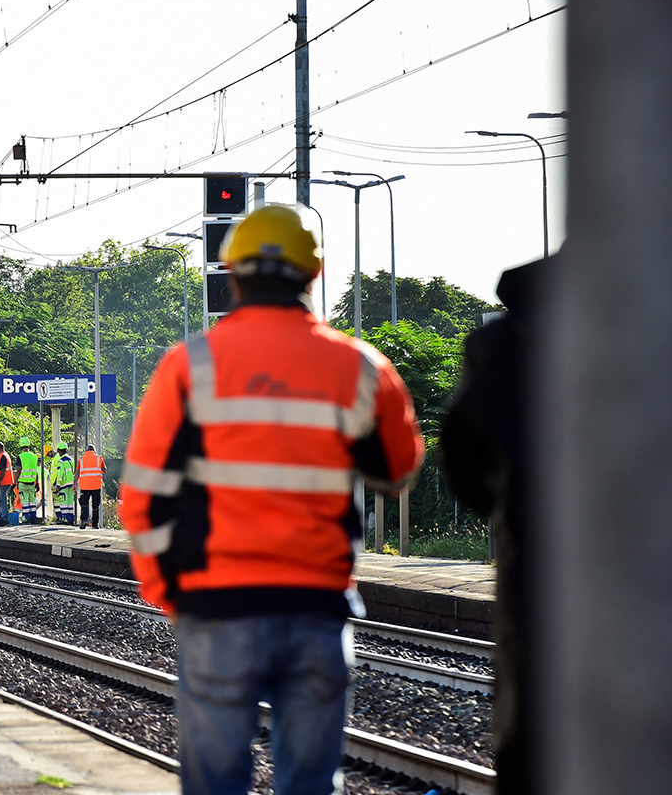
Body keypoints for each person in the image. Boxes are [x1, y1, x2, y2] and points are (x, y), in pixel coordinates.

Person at [120, 203, 424, 795]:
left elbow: (144, 496)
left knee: (214, 781)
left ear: (230, 272)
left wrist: (166, 590)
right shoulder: (361, 367)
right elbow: (398, 466)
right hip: (316, 604)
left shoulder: (192, 365)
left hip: (215, 604)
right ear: (315, 274)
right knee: (310, 783)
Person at [440, 254, 555, 795]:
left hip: (544, 567)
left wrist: (520, 512)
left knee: (536, 726)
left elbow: (464, 461)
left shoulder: (510, 340)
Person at [77, 443, 106, 529]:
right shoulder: (99, 458)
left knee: (84, 503)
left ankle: (84, 520)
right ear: (94, 451)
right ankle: (95, 524)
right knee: (95, 506)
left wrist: (75, 484)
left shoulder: (81, 459)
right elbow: (104, 469)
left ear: (86, 451)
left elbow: (77, 473)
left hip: (84, 486)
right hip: (96, 485)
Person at [0, 441, 15, 527]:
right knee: (0, 501)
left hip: (3, 483)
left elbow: (3, 470)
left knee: (2, 500)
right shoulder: (3, 456)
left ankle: (4, 519)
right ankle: (1, 518)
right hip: (2, 482)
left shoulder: (3, 456)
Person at [17, 437, 42, 525]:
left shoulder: (20, 457)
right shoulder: (34, 457)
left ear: (21, 446)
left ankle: (26, 518)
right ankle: (33, 518)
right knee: (32, 501)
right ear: (28, 445)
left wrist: (15, 482)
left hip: (23, 482)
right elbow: (36, 470)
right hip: (32, 483)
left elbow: (19, 470)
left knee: (25, 501)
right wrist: (37, 482)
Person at [51, 442, 76, 525]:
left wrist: (58, 485)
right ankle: (71, 518)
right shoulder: (72, 460)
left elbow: (60, 475)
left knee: (63, 502)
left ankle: (65, 518)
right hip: (71, 484)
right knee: (70, 502)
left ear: (59, 452)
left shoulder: (60, 461)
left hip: (64, 484)